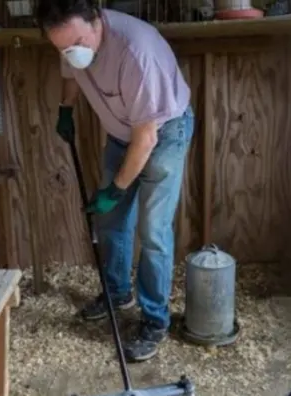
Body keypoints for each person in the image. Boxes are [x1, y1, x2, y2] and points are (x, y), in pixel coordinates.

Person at [35, 0, 194, 362]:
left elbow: (147, 140)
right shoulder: (72, 42)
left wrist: (116, 188)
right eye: (61, 47)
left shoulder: (136, 54)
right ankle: (117, 293)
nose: (70, 53)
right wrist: (66, 107)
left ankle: (155, 321)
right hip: (124, 133)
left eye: (75, 43)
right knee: (110, 221)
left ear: (97, 20)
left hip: (163, 133)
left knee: (153, 232)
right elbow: (71, 71)